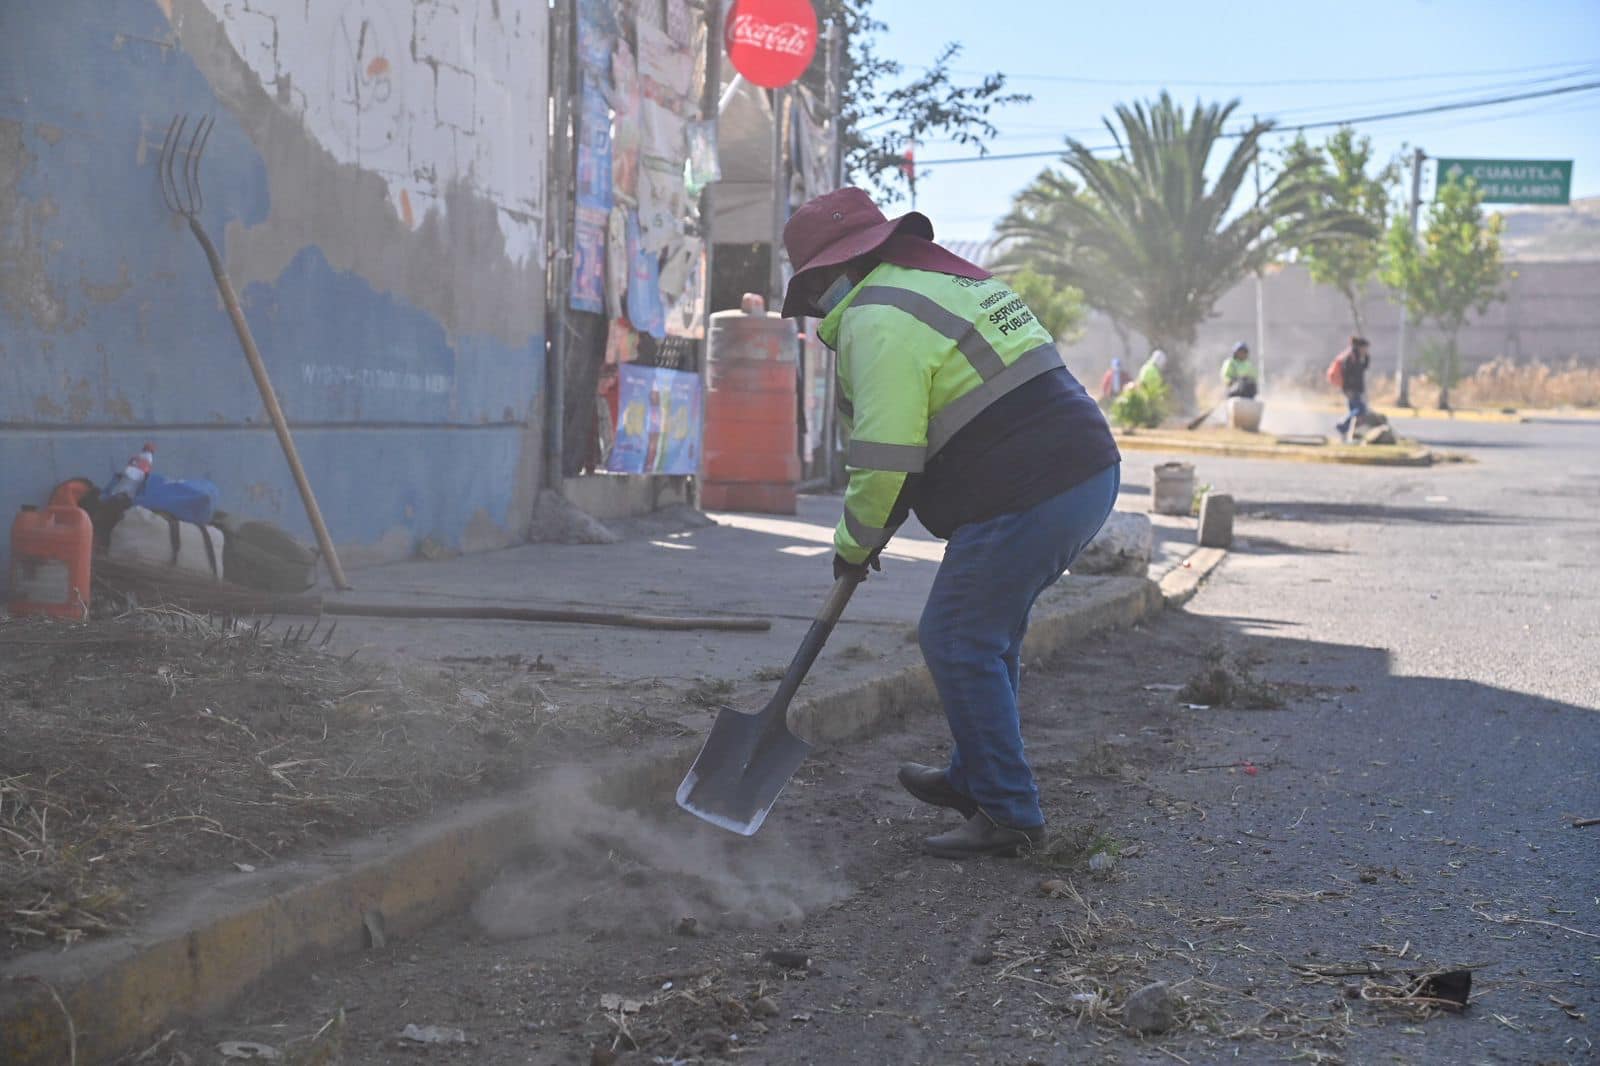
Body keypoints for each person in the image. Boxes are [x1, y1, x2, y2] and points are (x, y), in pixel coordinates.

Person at [780, 187, 1122, 859]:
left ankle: (1007, 811)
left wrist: (855, 542)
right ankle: (976, 775)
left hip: (1032, 485)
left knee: (957, 636)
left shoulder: (876, 316)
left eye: (815, 289)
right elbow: (933, 427)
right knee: (986, 638)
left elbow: (885, 456)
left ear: (826, 277)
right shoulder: (938, 282)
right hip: (1080, 473)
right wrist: (875, 526)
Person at [1333, 335, 1372, 439]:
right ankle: (1342, 425)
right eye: (1365, 348)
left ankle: (1349, 434)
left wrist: (1367, 357)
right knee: (1360, 409)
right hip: (1351, 390)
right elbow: (1346, 374)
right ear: (1360, 347)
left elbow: (1363, 368)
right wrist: (1347, 389)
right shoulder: (1351, 358)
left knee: (1355, 412)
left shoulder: (1358, 357)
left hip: (1356, 389)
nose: (1366, 350)